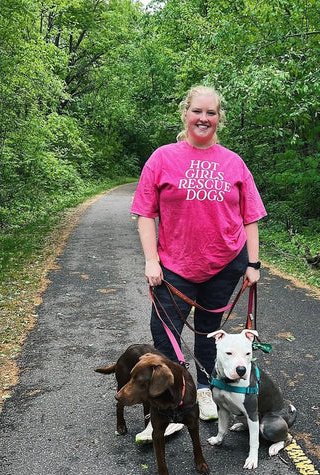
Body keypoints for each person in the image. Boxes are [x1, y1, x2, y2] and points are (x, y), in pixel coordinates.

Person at [130, 85, 267, 442]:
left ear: (219, 117)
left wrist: (252, 263)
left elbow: (250, 216)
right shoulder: (162, 158)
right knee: (164, 335)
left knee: (210, 333)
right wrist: (151, 260)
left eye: (211, 113)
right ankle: (170, 403)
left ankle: (205, 388)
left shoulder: (234, 162)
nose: (203, 119)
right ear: (185, 114)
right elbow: (145, 213)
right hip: (174, 267)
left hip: (225, 264)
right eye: (197, 112)